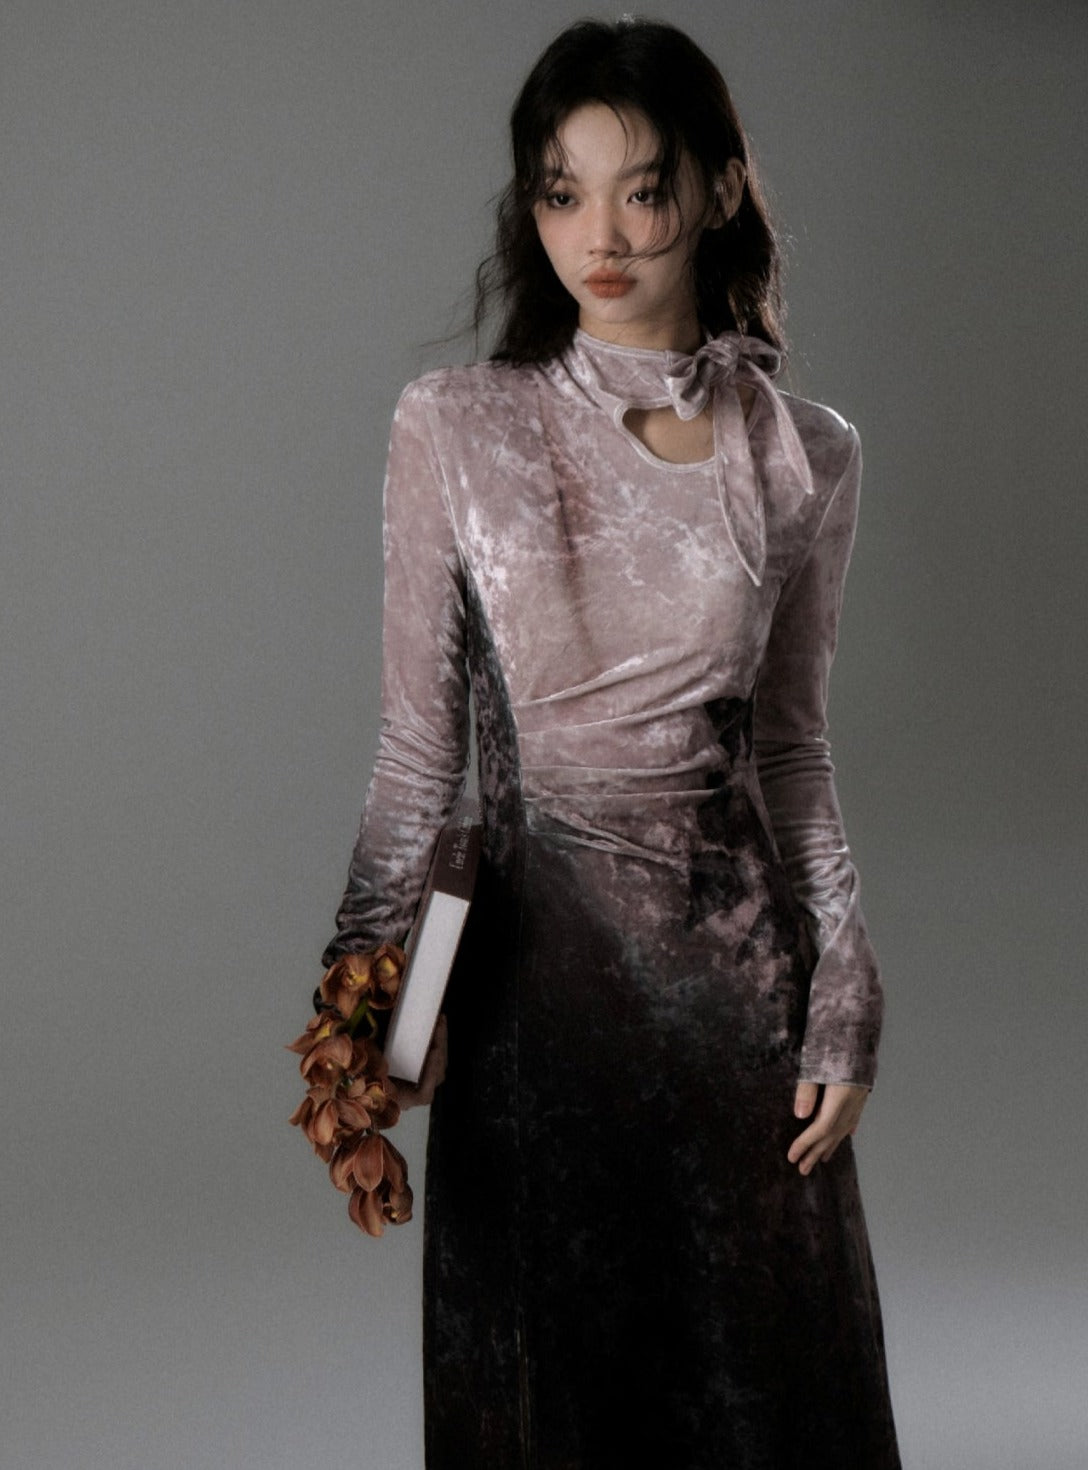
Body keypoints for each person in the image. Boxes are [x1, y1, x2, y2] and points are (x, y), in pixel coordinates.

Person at [322, 17, 901, 1468]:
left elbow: (792, 754)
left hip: (740, 1012)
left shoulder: (807, 451)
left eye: (642, 189)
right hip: (535, 1009)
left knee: (766, 1413)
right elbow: (416, 755)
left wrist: (845, 978)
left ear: (717, 190)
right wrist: (366, 996)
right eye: (562, 192)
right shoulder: (457, 426)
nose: (602, 235)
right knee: (552, 1409)